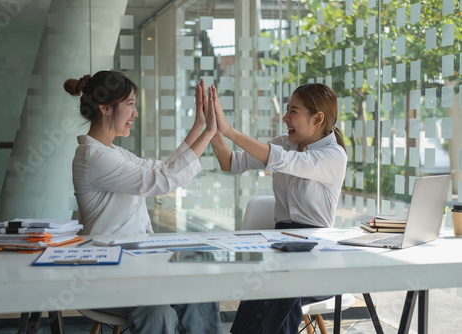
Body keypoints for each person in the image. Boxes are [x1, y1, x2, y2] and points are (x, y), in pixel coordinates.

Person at [64, 71, 221, 334]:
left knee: (199, 291)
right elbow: (160, 181)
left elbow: (163, 168)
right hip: (107, 271)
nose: (135, 114)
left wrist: (199, 125)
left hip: (135, 265)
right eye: (130, 104)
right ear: (104, 107)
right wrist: (209, 133)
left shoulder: (115, 152)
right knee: (156, 310)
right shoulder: (93, 156)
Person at [206, 82, 348, 333]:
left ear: (318, 118)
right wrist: (213, 129)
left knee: (275, 286)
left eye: (293, 111)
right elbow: (230, 162)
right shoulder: (283, 143)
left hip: (316, 256)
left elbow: (286, 161)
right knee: (274, 284)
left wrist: (230, 131)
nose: (285, 117)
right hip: (279, 248)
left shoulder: (333, 156)